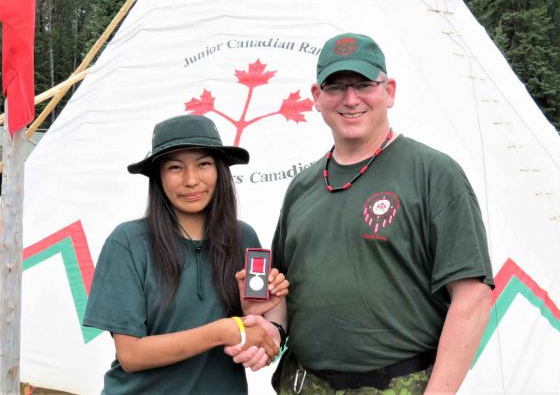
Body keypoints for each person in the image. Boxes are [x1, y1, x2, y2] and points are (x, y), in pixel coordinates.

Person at [263, 33, 494, 394]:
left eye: (364, 84)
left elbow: (472, 297)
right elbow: (282, 290)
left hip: (399, 384)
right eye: (336, 87)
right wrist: (269, 329)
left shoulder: (433, 173)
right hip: (305, 383)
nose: (350, 99)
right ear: (316, 97)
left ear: (389, 91)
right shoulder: (302, 187)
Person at [83, 114, 288, 394]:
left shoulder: (244, 238)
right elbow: (131, 355)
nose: (191, 180)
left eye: (203, 164)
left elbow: (254, 332)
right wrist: (223, 331)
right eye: (175, 167)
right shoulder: (128, 242)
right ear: (158, 177)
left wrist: (257, 317)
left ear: (220, 171)